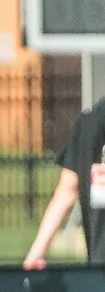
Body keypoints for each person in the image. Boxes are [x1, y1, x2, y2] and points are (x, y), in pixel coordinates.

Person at [26, 100, 105, 268]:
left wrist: (37, 251)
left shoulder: (89, 124)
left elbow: (66, 192)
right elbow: (67, 191)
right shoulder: (89, 125)